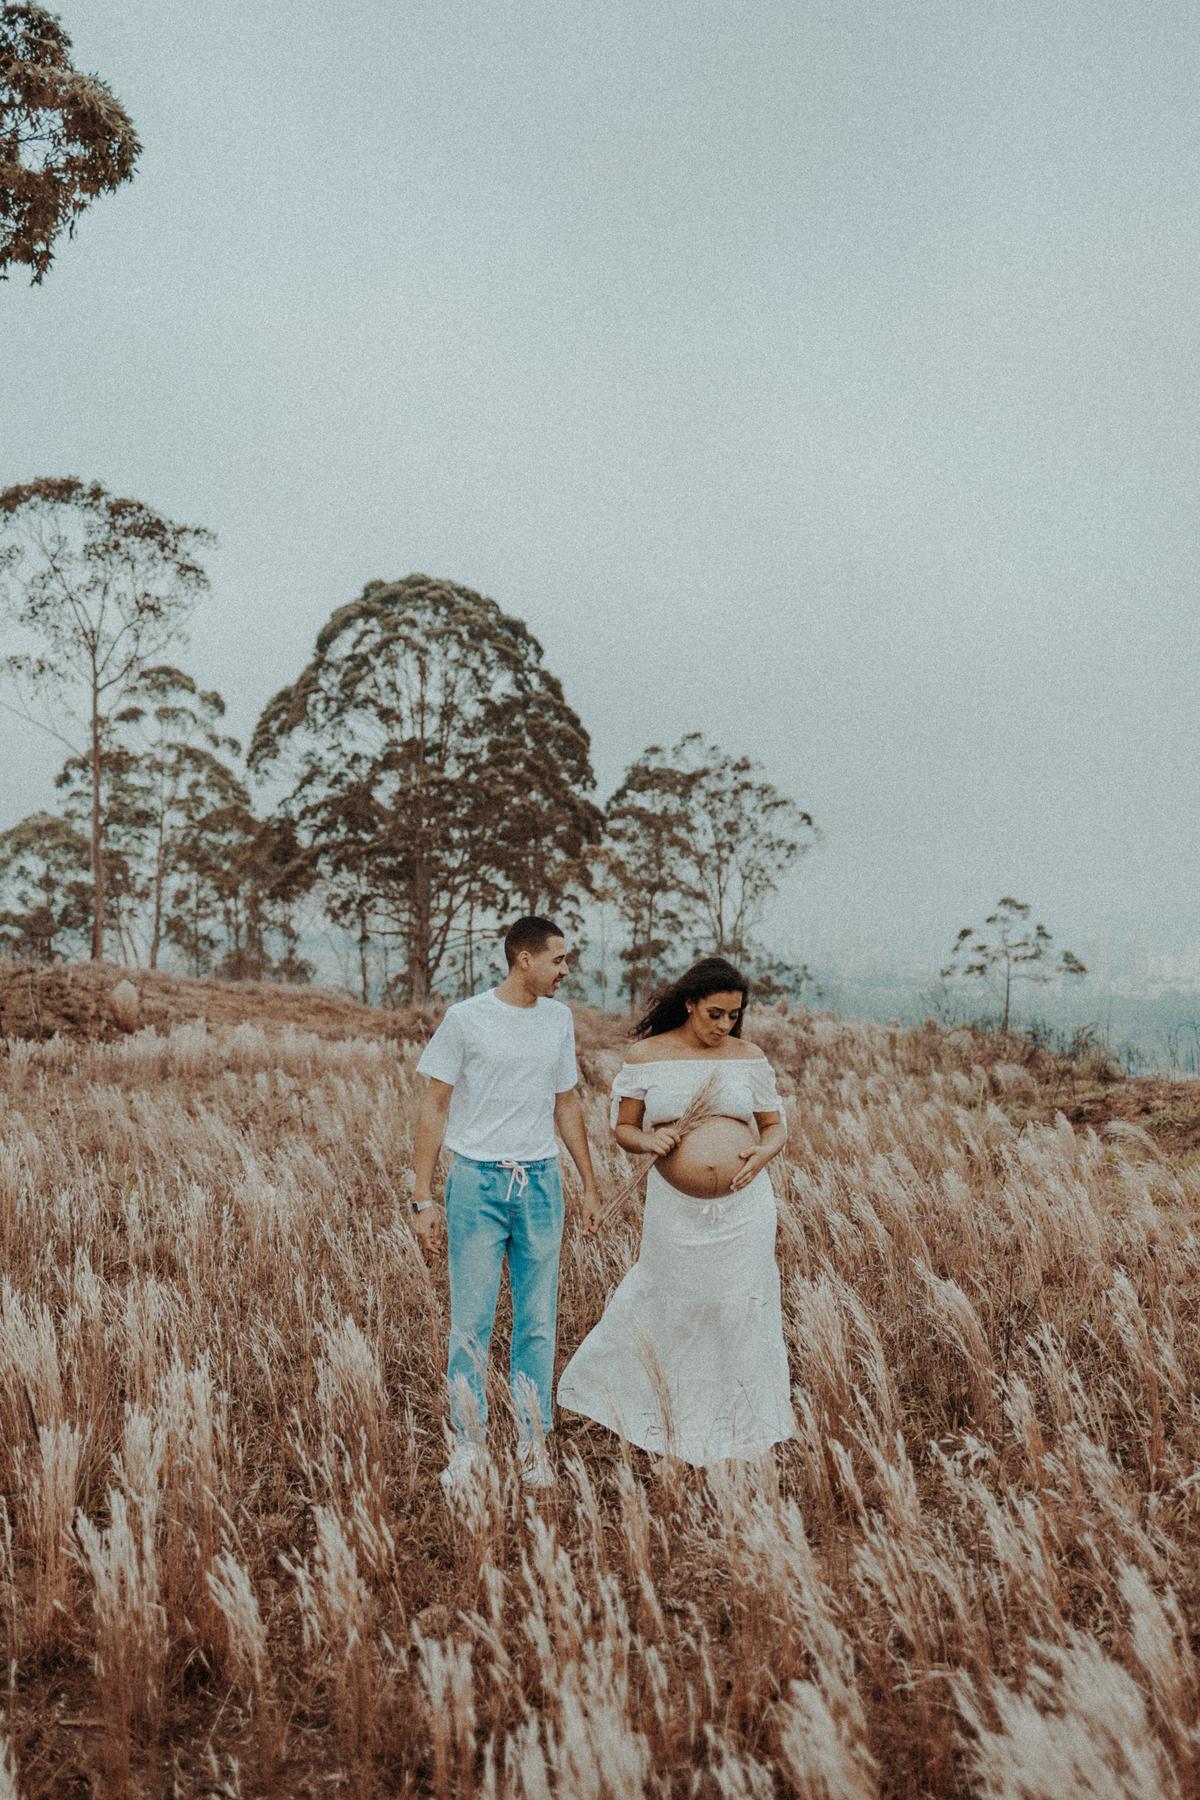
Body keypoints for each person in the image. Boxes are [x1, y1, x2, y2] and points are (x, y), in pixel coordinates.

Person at [557, 957, 794, 1467]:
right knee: (676, 1303)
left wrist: (762, 1155)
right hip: (675, 1210)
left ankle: (741, 1424)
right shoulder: (647, 1056)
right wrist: (648, 1140)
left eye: (733, 1015)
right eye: (714, 1014)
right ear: (689, 1003)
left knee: (737, 1307)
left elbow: (776, 1127)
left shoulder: (748, 1057)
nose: (724, 1025)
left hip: (745, 1209)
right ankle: (666, 1415)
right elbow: (624, 1129)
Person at [411, 916, 601, 1493]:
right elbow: (434, 1107)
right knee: (471, 1320)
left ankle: (531, 1441)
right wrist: (422, 1198)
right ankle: (468, 1445)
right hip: (476, 1183)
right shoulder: (466, 1018)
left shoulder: (559, 1020)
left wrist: (589, 1185)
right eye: (558, 959)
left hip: (540, 1184)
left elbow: (566, 1103)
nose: (565, 970)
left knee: (538, 1321)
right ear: (525, 959)